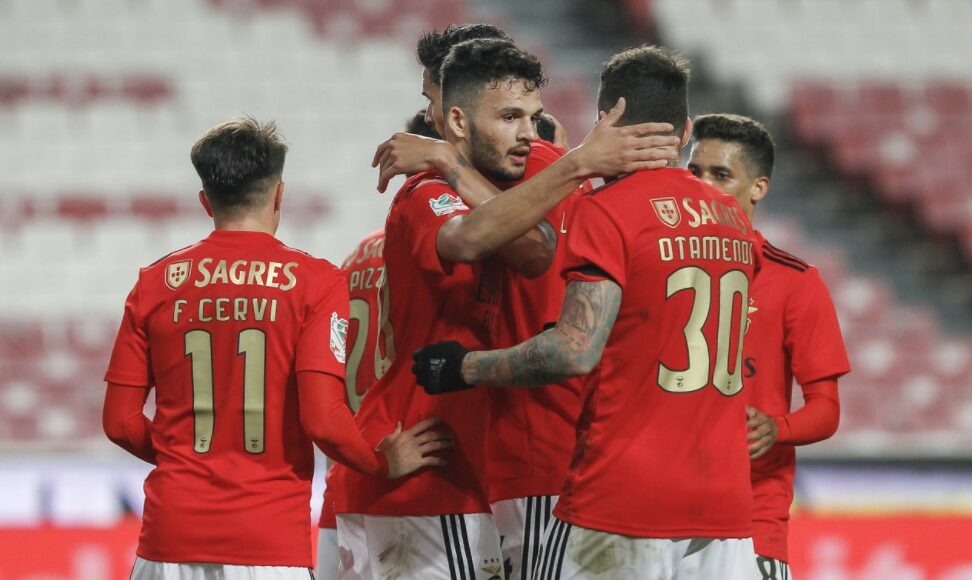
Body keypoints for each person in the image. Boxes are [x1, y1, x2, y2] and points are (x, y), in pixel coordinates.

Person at [412, 46, 763, 579]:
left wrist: (463, 366)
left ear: (605, 122)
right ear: (685, 130)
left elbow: (572, 351)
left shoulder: (608, 211)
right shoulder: (737, 224)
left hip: (624, 497)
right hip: (723, 502)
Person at [336, 38, 680, 579]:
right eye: (510, 117)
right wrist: (575, 162)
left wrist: (459, 161)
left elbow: (535, 249)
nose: (527, 132)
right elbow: (472, 239)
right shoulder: (425, 192)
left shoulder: (530, 169)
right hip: (432, 465)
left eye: (533, 117)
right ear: (452, 116)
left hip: (476, 464)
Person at [102, 117, 448, 579]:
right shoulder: (317, 283)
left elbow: (120, 421)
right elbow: (324, 420)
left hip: (169, 536)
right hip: (268, 542)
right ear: (279, 194)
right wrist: (382, 462)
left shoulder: (154, 283)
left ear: (206, 202)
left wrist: (181, 454)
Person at [686, 113, 850, 579]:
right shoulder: (650, 268)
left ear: (757, 188)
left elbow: (826, 408)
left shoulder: (795, 283)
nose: (702, 186)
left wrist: (776, 428)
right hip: (654, 509)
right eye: (694, 172)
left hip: (749, 519)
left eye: (721, 175)